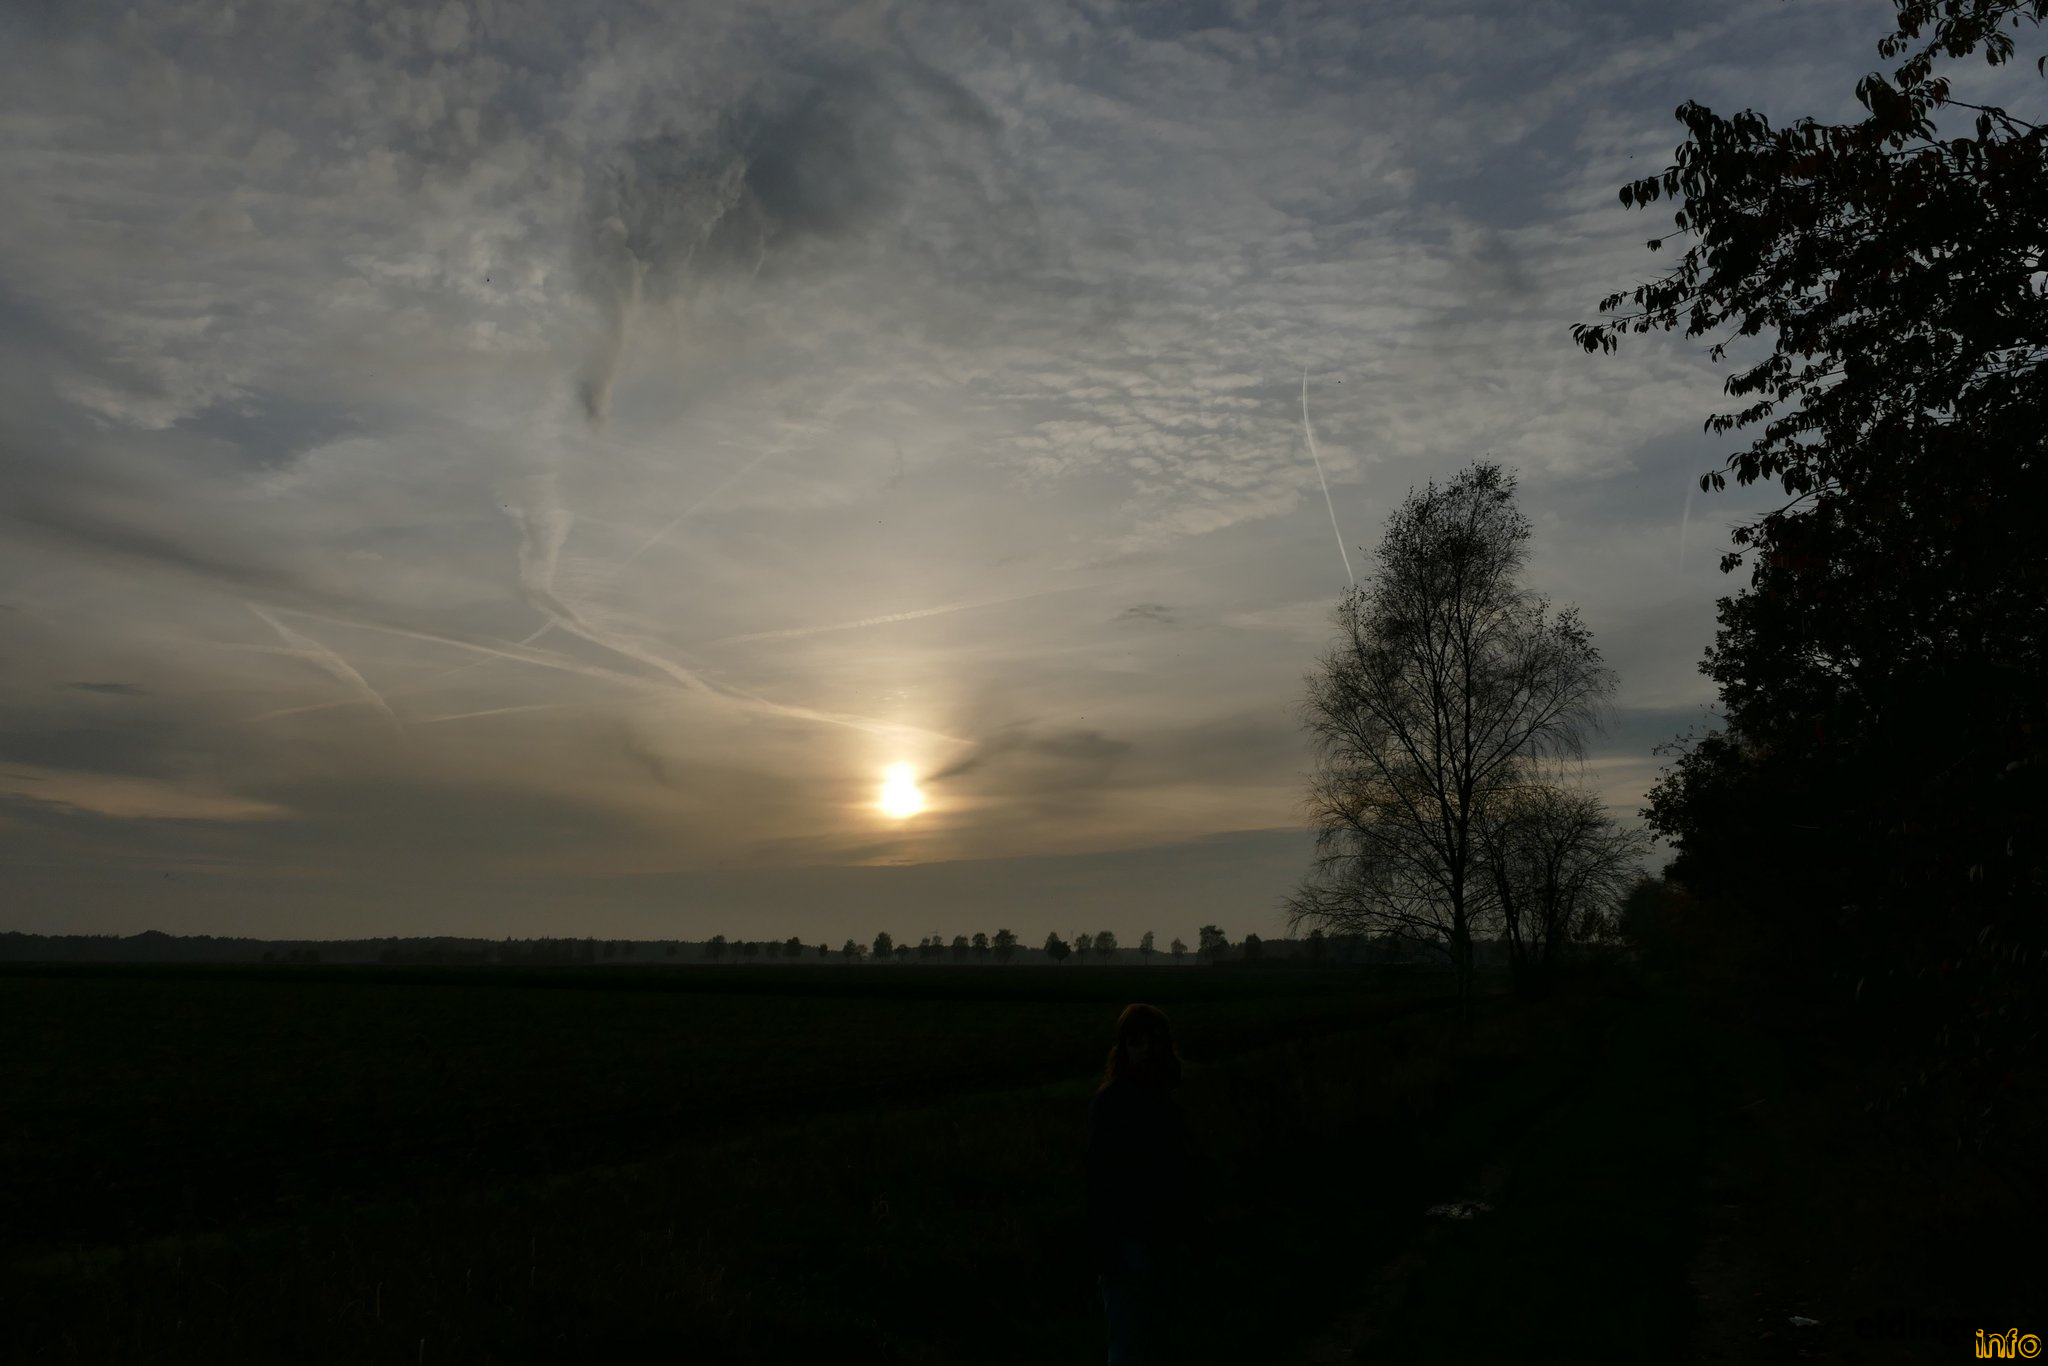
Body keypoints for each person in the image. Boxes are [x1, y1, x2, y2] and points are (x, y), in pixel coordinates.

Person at [1087, 1002, 1196, 1365]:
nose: (1146, 1048)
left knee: (1158, 1344)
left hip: (1163, 1242)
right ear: (1124, 1049)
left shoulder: (1168, 1106)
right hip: (1127, 1247)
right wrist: (1108, 1252)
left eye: (1153, 1039)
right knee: (1130, 1347)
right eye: (1136, 1041)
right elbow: (1099, 1182)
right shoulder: (1112, 1104)